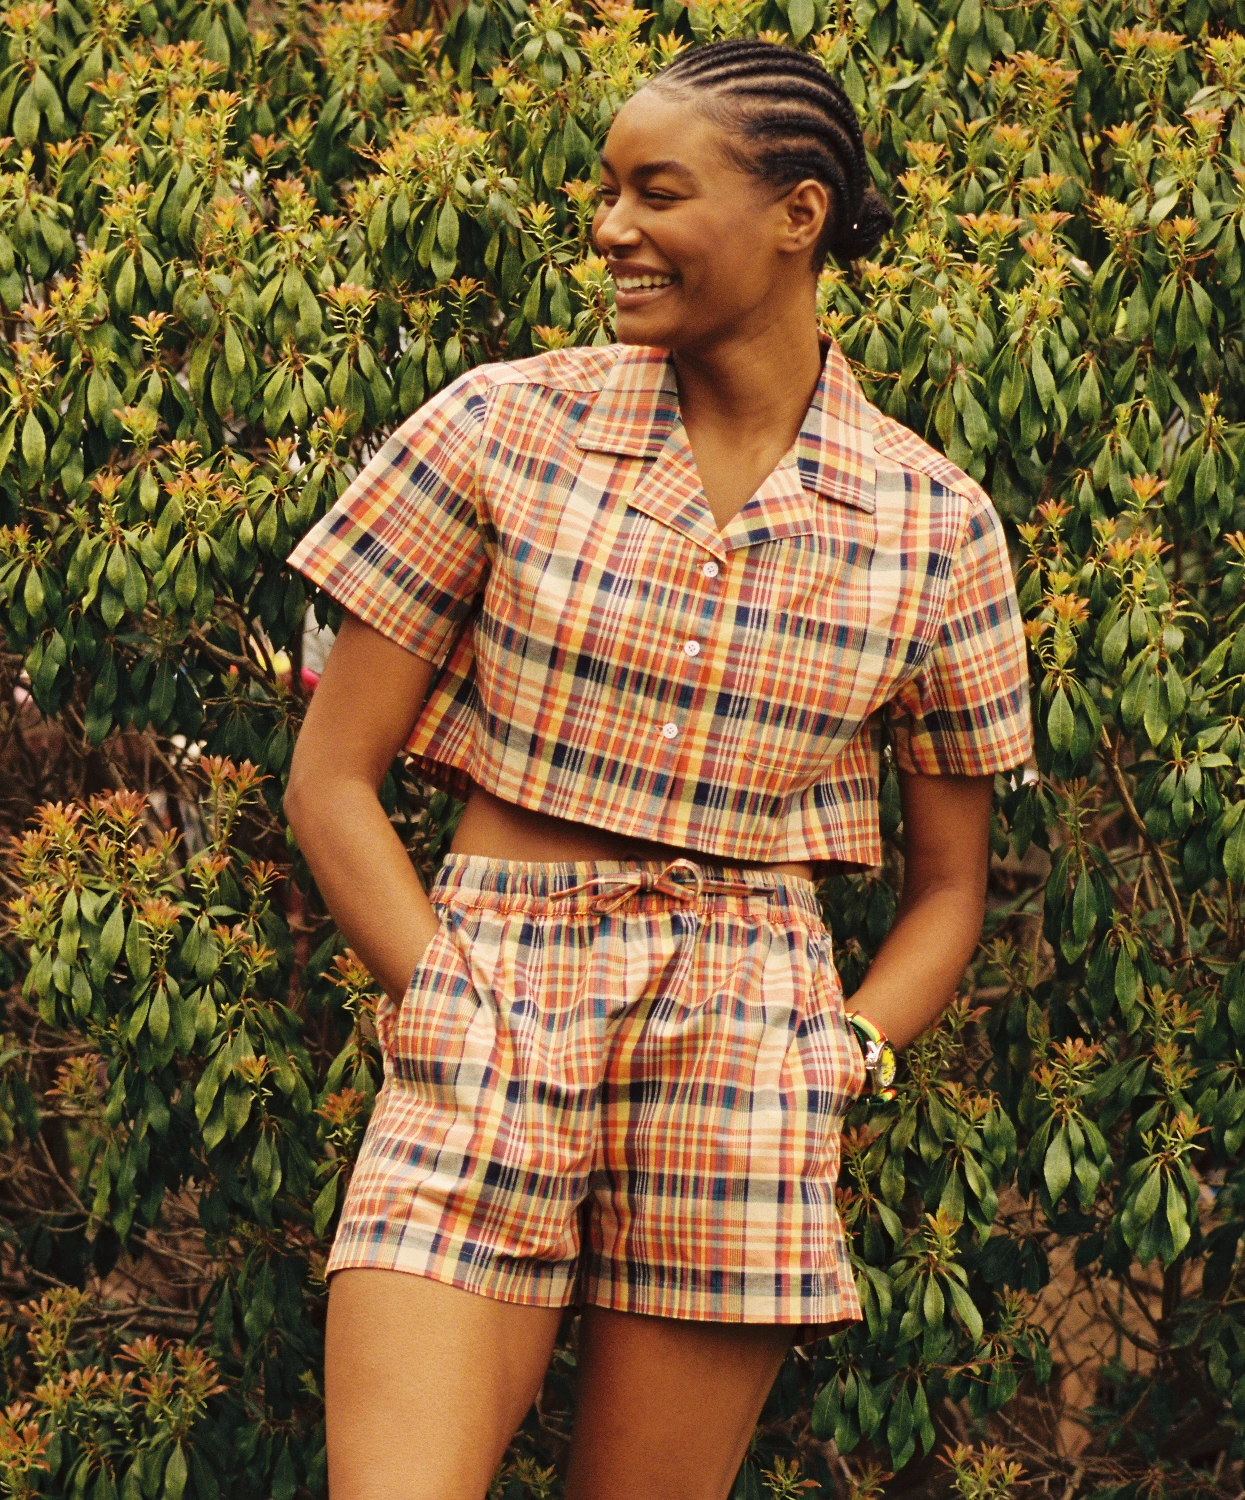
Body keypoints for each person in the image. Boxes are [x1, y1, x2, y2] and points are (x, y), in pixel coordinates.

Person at [283, 37, 1032, 1500]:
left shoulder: (933, 524)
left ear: (797, 215)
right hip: (492, 995)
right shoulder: (505, 425)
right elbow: (331, 779)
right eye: (608, 191)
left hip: (749, 1041)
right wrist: (442, 999)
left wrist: (845, 1054)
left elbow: (952, 888)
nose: (611, 229)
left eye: (657, 192)